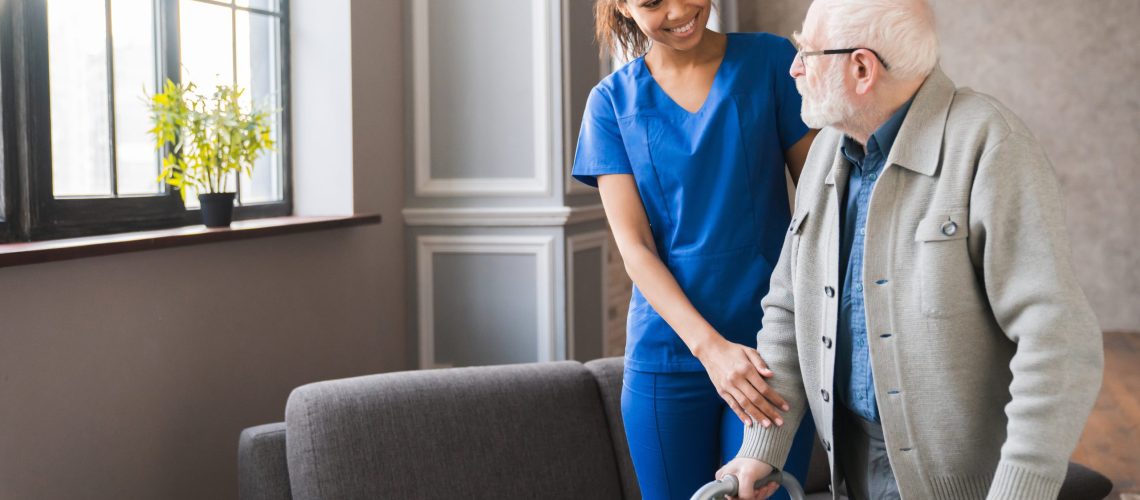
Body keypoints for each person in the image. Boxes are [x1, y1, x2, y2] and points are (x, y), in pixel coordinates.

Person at [715, 0, 1104, 498]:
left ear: (861, 68)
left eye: (807, 52)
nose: (794, 67)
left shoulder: (989, 144)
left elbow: (1060, 344)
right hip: (850, 469)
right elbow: (790, 309)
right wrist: (760, 447)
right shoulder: (826, 152)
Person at [572, 1, 820, 498]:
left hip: (773, 353)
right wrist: (712, 351)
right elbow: (635, 247)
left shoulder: (771, 62)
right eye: (651, 2)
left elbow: (820, 211)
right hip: (667, 357)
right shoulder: (611, 103)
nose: (681, 9)